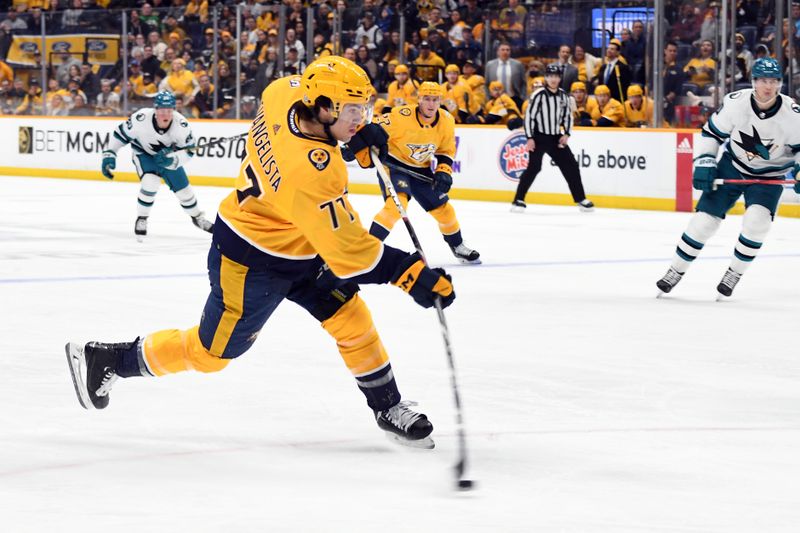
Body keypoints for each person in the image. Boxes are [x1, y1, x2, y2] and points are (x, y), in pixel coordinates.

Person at [66, 57, 455, 450]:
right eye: (353, 109)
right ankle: (112, 359)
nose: (362, 116)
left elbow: (314, 129)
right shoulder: (310, 173)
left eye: (363, 108)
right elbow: (352, 254)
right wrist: (411, 274)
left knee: (351, 317)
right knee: (211, 354)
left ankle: (387, 407)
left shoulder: (282, 94)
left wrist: (351, 139)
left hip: (300, 245)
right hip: (250, 260)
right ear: (323, 107)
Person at [655, 58, 800, 298]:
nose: (768, 86)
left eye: (774, 81)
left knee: (757, 223)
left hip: (769, 175)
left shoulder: (793, 115)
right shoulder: (736, 103)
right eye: (763, 80)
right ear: (753, 82)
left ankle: (734, 273)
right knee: (703, 222)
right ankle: (675, 271)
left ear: (780, 84)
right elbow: (712, 133)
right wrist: (705, 161)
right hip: (732, 165)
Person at [350, 81, 481, 264]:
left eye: (435, 100)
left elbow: (445, 151)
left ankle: (458, 246)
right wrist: (355, 143)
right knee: (396, 207)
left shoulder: (446, 120)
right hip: (394, 165)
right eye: (426, 99)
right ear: (419, 99)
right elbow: (372, 128)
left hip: (421, 169)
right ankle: (367, 250)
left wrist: (444, 171)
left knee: (445, 211)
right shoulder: (401, 116)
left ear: (440, 100)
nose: (430, 104)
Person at [100, 91, 214, 240]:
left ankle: (197, 217)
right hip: (144, 154)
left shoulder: (182, 126)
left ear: (174, 110)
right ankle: (142, 218)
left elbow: (189, 152)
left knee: (185, 192)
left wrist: (172, 160)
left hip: (169, 158)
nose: (165, 114)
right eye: (161, 110)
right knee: (150, 183)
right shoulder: (141, 118)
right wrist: (110, 153)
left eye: (169, 110)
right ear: (155, 109)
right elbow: (120, 135)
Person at [511, 64, 594, 213]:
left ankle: (580, 198)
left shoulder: (564, 95)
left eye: (556, 76)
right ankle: (518, 199)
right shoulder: (538, 95)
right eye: (550, 76)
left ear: (560, 78)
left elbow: (567, 116)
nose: (553, 79)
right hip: (538, 136)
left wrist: (566, 133)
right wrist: (530, 138)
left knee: (571, 166)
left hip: (556, 137)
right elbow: (529, 117)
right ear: (546, 78)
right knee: (534, 167)